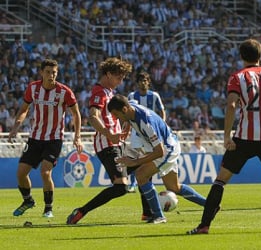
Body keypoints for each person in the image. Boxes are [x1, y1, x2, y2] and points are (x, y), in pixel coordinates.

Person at [187, 38, 261, 234]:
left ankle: (204, 226)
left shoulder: (237, 77)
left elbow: (232, 105)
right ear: (260, 56)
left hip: (245, 136)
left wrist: (227, 137)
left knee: (221, 180)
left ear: (242, 56)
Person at [108, 94, 206, 224]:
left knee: (141, 175)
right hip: (170, 144)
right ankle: (210, 205)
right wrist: (127, 127)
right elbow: (128, 107)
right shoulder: (131, 107)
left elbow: (159, 152)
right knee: (174, 187)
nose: (116, 118)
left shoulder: (146, 123)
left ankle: (158, 215)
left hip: (167, 149)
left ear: (124, 110)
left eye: (116, 114)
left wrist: (135, 162)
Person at [8, 59, 83, 218]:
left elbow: (76, 114)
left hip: (54, 138)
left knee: (45, 172)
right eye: (48, 72)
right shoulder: (33, 88)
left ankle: (48, 208)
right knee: (21, 173)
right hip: (35, 137)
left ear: (57, 73)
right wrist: (16, 126)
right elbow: (24, 109)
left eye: (54, 72)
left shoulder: (65, 92)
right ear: (41, 72)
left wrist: (77, 137)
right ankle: (28, 201)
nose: (51, 75)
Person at [66, 57, 133, 224]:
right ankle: (81, 211)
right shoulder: (99, 92)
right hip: (107, 145)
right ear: (108, 74)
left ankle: (150, 213)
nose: (120, 81)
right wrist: (109, 134)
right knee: (121, 187)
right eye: (119, 77)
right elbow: (93, 117)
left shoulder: (110, 93)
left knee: (145, 167)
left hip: (116, 144)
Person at [127, 71, 166, 222]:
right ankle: (132, 183)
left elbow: (162, 111)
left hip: (150, 134)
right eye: (140, 80)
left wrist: (161, 125)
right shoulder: (132, 96)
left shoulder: (154, 96)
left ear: (148, 82)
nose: (143, 82)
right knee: (135, 155)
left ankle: (141, 184)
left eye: (145, 80)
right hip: (137, 133)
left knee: (148, 161)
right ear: (137, 83)